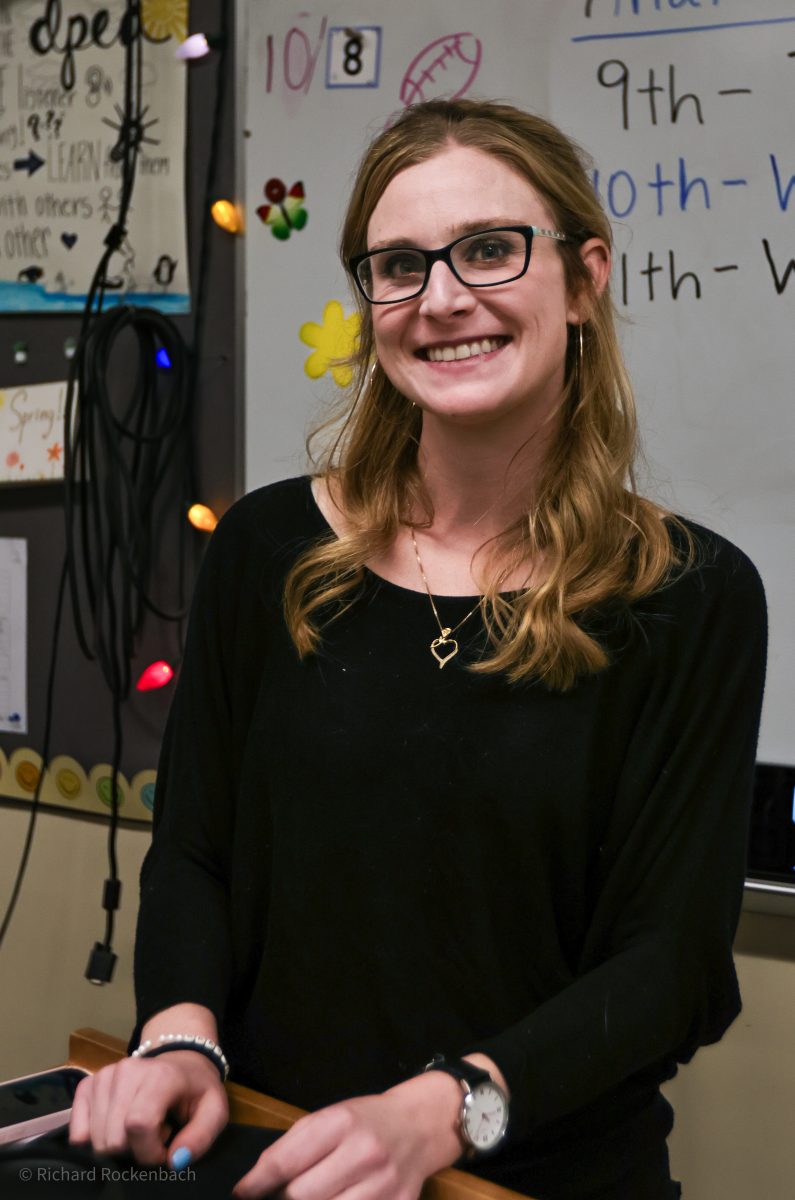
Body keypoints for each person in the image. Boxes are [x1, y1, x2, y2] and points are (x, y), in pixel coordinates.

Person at [69, 99, 767, 1200]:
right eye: (400, 265)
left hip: (531, 1177)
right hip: (276, 1153)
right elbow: (195, 852)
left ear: (584, 279)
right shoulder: (269, 548)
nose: (443, 299)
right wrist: (182, 1029)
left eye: (490, 249)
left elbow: (668, 966)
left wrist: (448, 1108)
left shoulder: (692, 596)